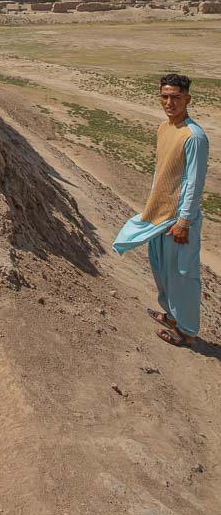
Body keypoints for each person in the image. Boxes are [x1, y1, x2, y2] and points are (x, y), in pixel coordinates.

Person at [113, 73, 209, 347]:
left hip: (178, 221)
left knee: (182, 276)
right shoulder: (164, 128)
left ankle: (187, 332)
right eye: (165, 96)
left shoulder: (194, 137)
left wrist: (184, 221)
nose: (169, 102)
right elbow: (162, 171)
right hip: (159, 215)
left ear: (187, 99)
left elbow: (194, 182)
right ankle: (171, 316)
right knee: (162, 271)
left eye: (176, 97)